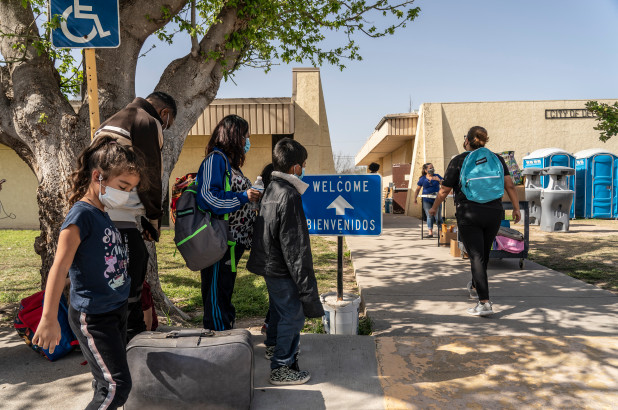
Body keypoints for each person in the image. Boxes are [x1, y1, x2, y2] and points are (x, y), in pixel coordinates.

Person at [33, 136, 147, 409]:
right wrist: (49, 318)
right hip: (94, 317)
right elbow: (59, 268)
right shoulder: (81, 215)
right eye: (123, 186)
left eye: (131, 188)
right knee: (117, 386)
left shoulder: (102, 212)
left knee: (105, 384)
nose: (127, 194)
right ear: (98, 176)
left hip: (115, 309)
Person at [95, 91, 177, 341]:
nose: (165, 127)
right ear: (164, 113)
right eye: (168, 123)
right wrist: (153, 219)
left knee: (116, 276)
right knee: (133, 271)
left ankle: (125, 331)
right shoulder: (147, 121)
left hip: (101, 209)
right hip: (122, 211)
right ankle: (132, 334)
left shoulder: (111, 121)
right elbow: (151, 174)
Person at [247, 138, 325, 386]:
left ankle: (273, 346)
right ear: (296, 168)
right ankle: (281, 367)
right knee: (293, 316)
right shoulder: (290, 195)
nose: (304, 168)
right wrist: (304, 283)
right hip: (282, 268)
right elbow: (295, 245)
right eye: (303, 164)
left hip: (270, 265)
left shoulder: (272, 188)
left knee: (280, 313)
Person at [429, 126, 521, 316]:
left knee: (476, 256)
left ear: (467, 141)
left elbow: (445, 190)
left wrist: (435, 207)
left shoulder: (459, 160)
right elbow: (509, 185)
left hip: (469, 213)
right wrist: (516, 208)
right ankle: (474, 286)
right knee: (483, 254)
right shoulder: (497, 159)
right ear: (485, 141)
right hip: (494, 212)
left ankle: (484, 302)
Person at [196, 114, 260, 331]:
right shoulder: (215, 160)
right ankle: (216, 335)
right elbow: (208, 198)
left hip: (232, 242)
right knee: (216, 290)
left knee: (224, 289)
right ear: (234, 136)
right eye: (245, 136)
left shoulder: (229, 164)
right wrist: (244, 196)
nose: (247, 141)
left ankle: (225, 329)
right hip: (218, 240)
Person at [413, 163, 444, 238]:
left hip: (437, 199)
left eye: (432, 167)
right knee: (429, 216)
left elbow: (444, 185)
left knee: (438, 216)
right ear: (426, 170)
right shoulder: (423, 178)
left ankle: (441, 233)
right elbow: (417, 189)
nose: (432, 169)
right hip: (426, 200)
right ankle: (430, 233)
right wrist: (415, 198)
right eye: (430, 168)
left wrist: (439, 180)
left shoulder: (437, 176)